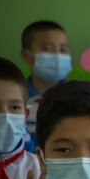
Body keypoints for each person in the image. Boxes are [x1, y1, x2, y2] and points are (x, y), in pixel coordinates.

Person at [18, 21, 71, 152]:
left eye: (63, 49)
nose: (58, 56)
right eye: (47, 49)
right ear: (27, 56)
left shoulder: (79, 97)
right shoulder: (16, 97)